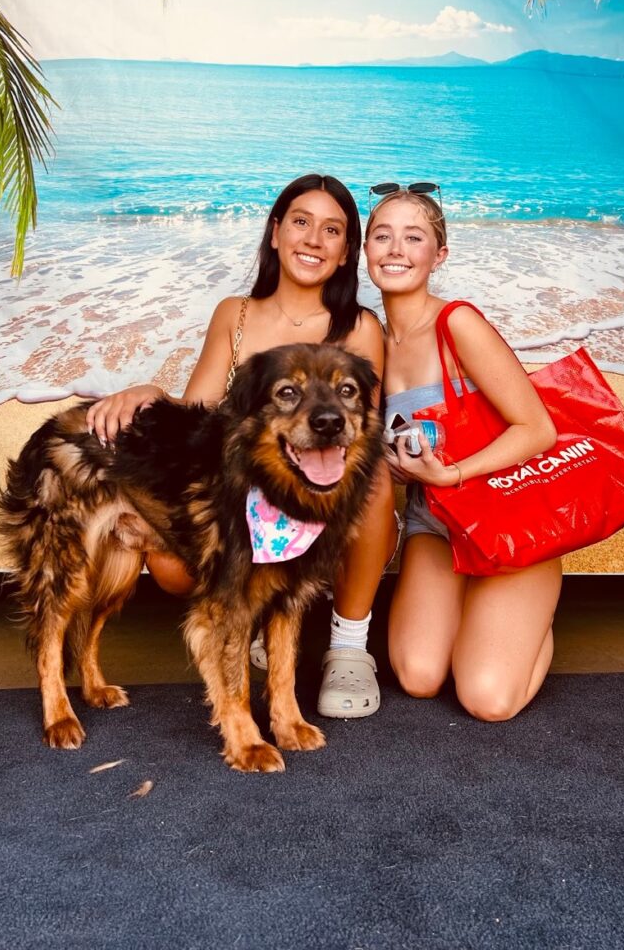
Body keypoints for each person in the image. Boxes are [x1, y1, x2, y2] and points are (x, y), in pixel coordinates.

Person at [87, 174, 398, 718]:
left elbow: (359, 430)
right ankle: (254, 610)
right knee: (170, 565)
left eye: (332, 230)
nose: (313, 239)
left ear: (347, 251)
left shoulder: (359, 326)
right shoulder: (236, 314)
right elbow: (198, 418)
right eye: (300, 222)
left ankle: (348, 644)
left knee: (370, 475)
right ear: (275, 232)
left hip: (321, 498)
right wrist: (151, 391)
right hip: (243, 506)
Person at [364, 185, 562, 721]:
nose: (396, 249)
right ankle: (486, 618)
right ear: (365, 250)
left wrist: (452, 473)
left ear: (438, 255)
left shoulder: (457, 322)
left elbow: (537, 429)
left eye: (414, 237)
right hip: (436, 522)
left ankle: (528, 623)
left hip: (507, 515)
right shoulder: (372, 341)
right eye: (382, 235)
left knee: (486, 699)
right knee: (419, 676)